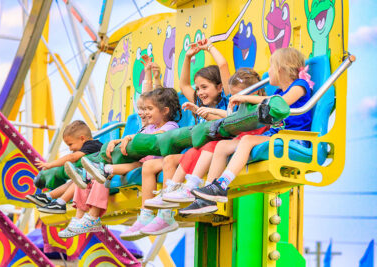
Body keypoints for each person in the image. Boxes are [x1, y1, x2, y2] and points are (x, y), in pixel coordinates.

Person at [120, 38, 233, 240]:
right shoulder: (197, 100)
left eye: (205, 87)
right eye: (198, 89)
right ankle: (146, 214)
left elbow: (223, 66)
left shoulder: (227, 102)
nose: (200, 92)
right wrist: (188, 56)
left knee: (170, 160)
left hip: (212, 150)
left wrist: (209, 47)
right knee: (148, 167)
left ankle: (166, 214)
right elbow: (183, 83)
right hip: (196, 151)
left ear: (219, 87)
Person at [180, 47, 314, 215]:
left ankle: (222, 184)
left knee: (247, 140)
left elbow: (281, 103)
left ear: (280, 69)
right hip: (276, 136)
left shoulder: (299, 86)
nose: (268, 72)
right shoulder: (280, 91)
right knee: (221, 146)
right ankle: (207, 197)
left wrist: (245, 97)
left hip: (293, 138)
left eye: (270, 67)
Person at [59, 87, 182, 238]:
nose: (145, 112)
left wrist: (130, 139)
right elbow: (135, 135)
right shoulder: (148, 127)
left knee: (104, 172)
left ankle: (94, 206)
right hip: (140, 160)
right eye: (145, 109)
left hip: (151, 161)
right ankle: (81, 216)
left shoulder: (170, 126)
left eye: (149, 109)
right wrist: (117, 141)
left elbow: (153, 137)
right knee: (96, 175)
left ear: (164, 111)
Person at [160, 68, 268, 207]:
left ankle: (196, 188)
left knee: (212, 146)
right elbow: (231, 116)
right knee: (199, 149)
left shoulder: (258, 103)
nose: (238, 99)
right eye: (235, 96)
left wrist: (242, 98)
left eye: (240, 95)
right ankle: (200, 194)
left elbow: (271, 101)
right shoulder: (239, 107)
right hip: (237, 140)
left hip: (253, 137)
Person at [26, 120, 102, 213]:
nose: (70, 148)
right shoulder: (88, 146)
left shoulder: (92, 145)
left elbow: (72, 157)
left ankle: (61, 202)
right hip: (90, 178)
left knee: (80, 179)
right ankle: (48, 196)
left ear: (82, 138)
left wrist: (50, 165)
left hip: (99, 178)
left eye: (70, 144)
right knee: (75, 181)